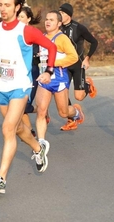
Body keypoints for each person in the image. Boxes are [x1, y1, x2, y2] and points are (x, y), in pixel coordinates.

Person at [0, 0, 57, 194]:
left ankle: (1, 178)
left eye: (7, 5)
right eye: (0, 4)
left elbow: (51, 47)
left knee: (7, 129)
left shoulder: (26, 31)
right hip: (1, 87)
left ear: (17, 7)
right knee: (17, 129)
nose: (3, 9)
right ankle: (38, 148)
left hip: (20, 86)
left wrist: (49, 71)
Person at [35, 10, 80, 145]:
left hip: (59, 80)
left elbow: (74, 57)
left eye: (51, 20)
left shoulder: (62, 38)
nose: (47, 22)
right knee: (41, 112)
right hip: (44, 81)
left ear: (59, 23)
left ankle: (76, 112)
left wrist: (53, 63)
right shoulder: (42, 37)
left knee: (63, 113)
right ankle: (41, 143)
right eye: (46, 19)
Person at [58, 3, 98, 131]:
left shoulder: (78, 28)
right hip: (63, 66)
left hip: (77, 65)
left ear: (69, 15)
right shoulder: (57, 27)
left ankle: (87, 85)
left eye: (63, 13)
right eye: (60, 13)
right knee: (61, 93)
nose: (61, 15)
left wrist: (87, 58)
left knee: (79, 97)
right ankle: (72, 119)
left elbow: (94, 42)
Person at [17, 5, 42, 137]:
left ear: (28, 19)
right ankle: (31, 132)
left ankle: (41, 110)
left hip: (32, 72)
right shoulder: (13, 34)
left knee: (24, 106)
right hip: (17, 73)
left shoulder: (32, 33)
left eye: (22, 17)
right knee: (17, 105)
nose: (18, 19)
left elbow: (42, 49)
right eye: (17, 16)